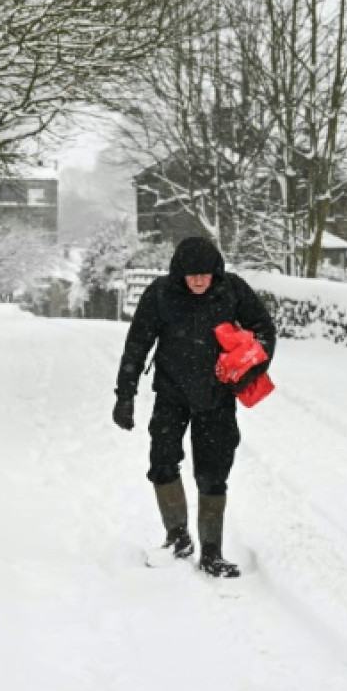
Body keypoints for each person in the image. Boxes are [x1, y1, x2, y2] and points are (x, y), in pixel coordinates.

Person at [112, 236, 276, 578]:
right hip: (171, 394)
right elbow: (138, 343)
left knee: (213, 473)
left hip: (217, 398)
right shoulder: (160, 294)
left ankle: (212, 552)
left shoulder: (232, 290)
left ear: (215, 271)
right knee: (162, 462)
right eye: (191, 275)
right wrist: (124, 395)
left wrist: (251, 367)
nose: (199, 281)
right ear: (179, 273)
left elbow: (264, 329)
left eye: (205, 274)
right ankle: (177, 537)